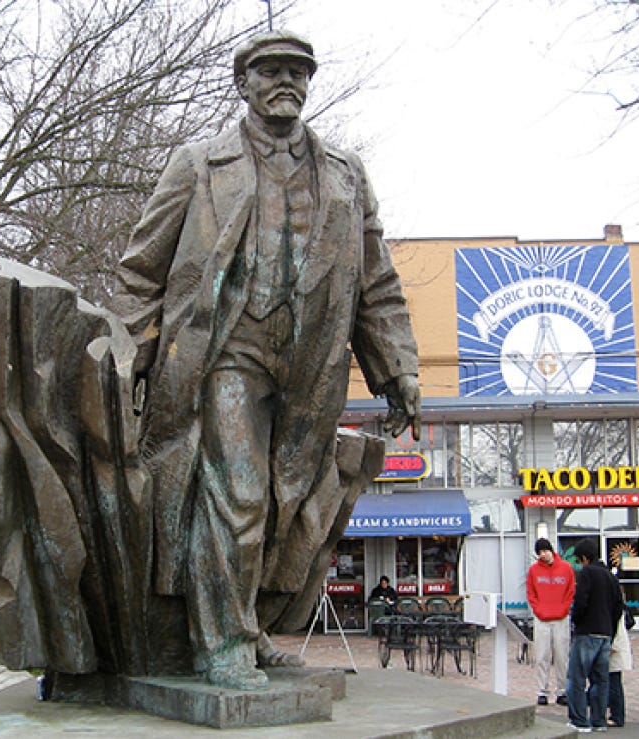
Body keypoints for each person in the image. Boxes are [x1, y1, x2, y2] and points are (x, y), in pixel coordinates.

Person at [112, 29, 421, 691]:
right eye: (271, 70)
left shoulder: (345, 171)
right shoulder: (199, 163)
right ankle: (220, 642)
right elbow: (142, 270)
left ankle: (247, 628)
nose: (287, 82)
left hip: (311, 364)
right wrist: (130, 357)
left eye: (298, 72)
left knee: (286, 499)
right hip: (228, 351)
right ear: (243, 82)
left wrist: (397, 370)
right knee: (238, 492)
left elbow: (375, 281)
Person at [566, 539, 623, 733]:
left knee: (577, 677)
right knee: (600, 680)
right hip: (605, 633)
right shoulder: (610, 577)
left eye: (579, 560)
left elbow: (580, 601)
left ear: (584, 558)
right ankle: (599, 720)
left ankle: (579, 720)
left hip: (587, 631)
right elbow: (618, 608)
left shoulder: (587, 574)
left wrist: (576, 621)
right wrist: (611, 631)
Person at [526, 537, 575, 707]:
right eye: (539, 553)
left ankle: (562, 691)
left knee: (562, 656)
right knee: (542, 656)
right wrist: (538, 610)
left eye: (545, 551)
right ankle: (542, 691)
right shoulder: (533, 571)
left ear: (551, 550)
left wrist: (564, 609)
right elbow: (531, 592)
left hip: (561, 618)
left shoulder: (566, 568)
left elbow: (571, 591)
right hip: (542, 618)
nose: (543, 555)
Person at [607, 599, 634, 728]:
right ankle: (615, 714)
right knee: (613, 682)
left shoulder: (616, 608)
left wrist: (612, 647)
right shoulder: (617, 606)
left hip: (615, 650)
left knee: (614, 683)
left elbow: (618, 630)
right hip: (615, 649)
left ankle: (617, 716)